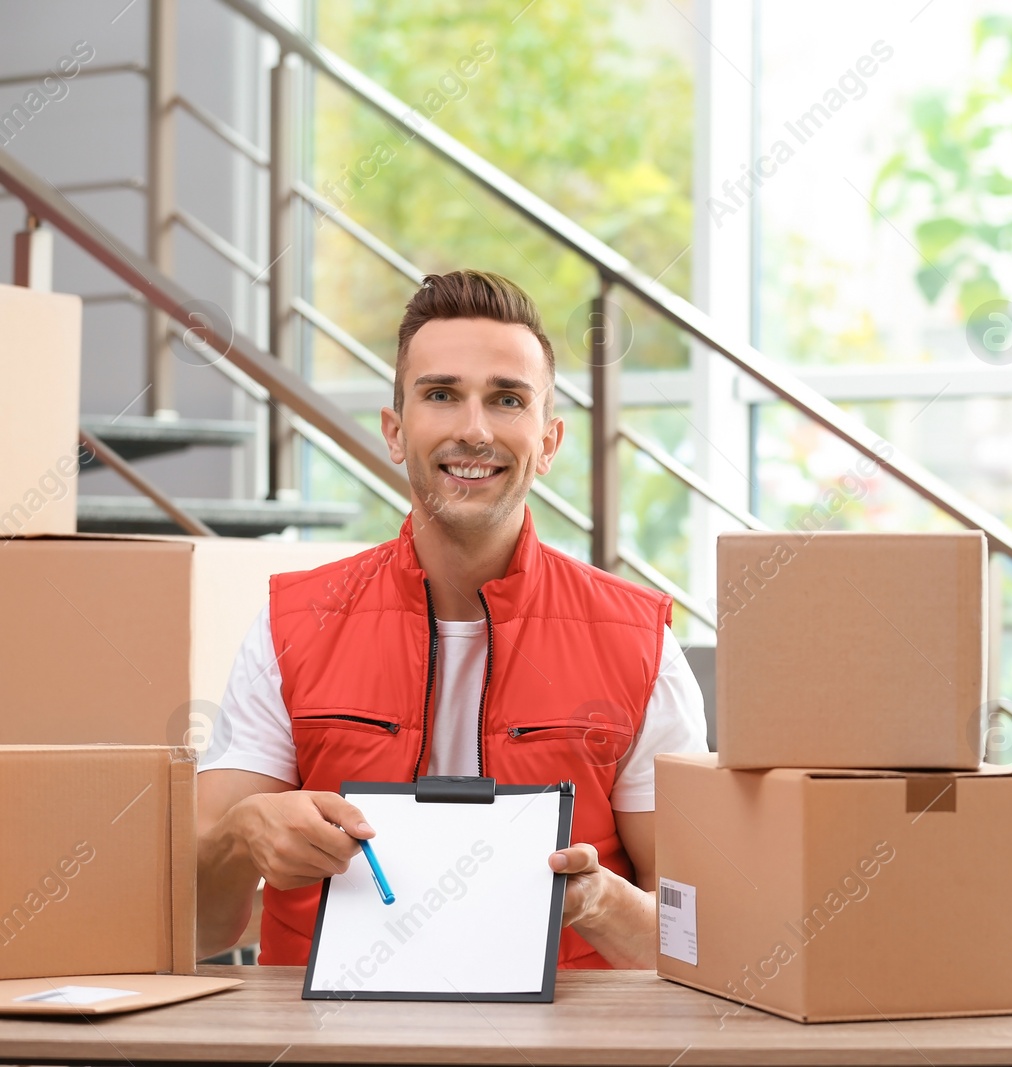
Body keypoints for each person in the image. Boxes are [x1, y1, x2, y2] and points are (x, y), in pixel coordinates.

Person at [195, 269, 707, 969]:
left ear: (549, 441)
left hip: (561, 1050)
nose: (473, 429)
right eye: (442, 395)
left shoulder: (641, 643)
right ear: (395, 432)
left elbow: (707, 945)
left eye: (507, 399)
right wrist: (237, 836)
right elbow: (195, 926)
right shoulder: (290, 625)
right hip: (327, 1047)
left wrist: (598, 903)